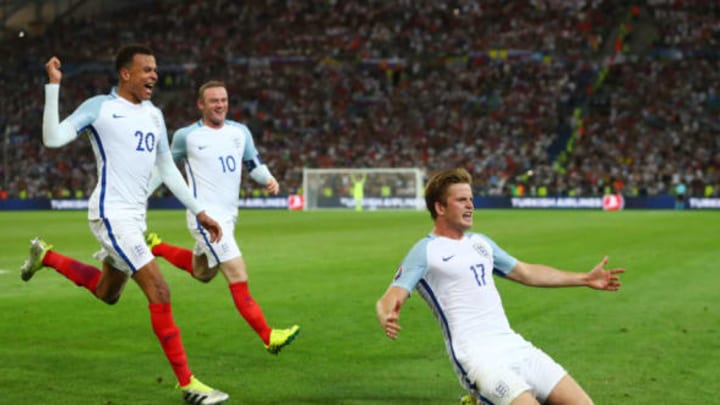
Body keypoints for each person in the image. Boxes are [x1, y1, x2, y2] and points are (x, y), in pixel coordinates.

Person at [22, 45, 229, 405]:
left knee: (108, 293)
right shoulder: (100, 107)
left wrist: (199, 211)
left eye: (156, 69)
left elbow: (167, 169)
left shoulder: (154, 115)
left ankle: (46, 256)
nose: (154, 75)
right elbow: (53, 139)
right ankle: (189, 385)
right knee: (160, 291)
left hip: (135, 217)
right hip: (110, 214)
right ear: (125, 73)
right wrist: (53, 86)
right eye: (146, 69)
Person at [375, 168, 625, 405]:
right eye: (461, 200)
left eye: (471, 199)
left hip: (515, 346)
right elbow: (391, 296)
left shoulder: (480, 243)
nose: (471, 205)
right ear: (440, 207)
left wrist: (584, 278)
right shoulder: (425, 251)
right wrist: (387, 314)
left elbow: (526, 272)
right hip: (478, 358)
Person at [145, 80, 299, 354]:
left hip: (229, 217)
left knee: (202, 272)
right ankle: (268, 336)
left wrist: (268, 178)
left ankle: (156, 246)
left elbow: (253, 164)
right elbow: (165, 169)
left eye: (224, 100)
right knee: (238, 272)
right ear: (201, 104)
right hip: (205, 218)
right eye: (214, 101)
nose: (220, 105)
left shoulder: (240, 133)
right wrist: (140, 194)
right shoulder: (186, 136)